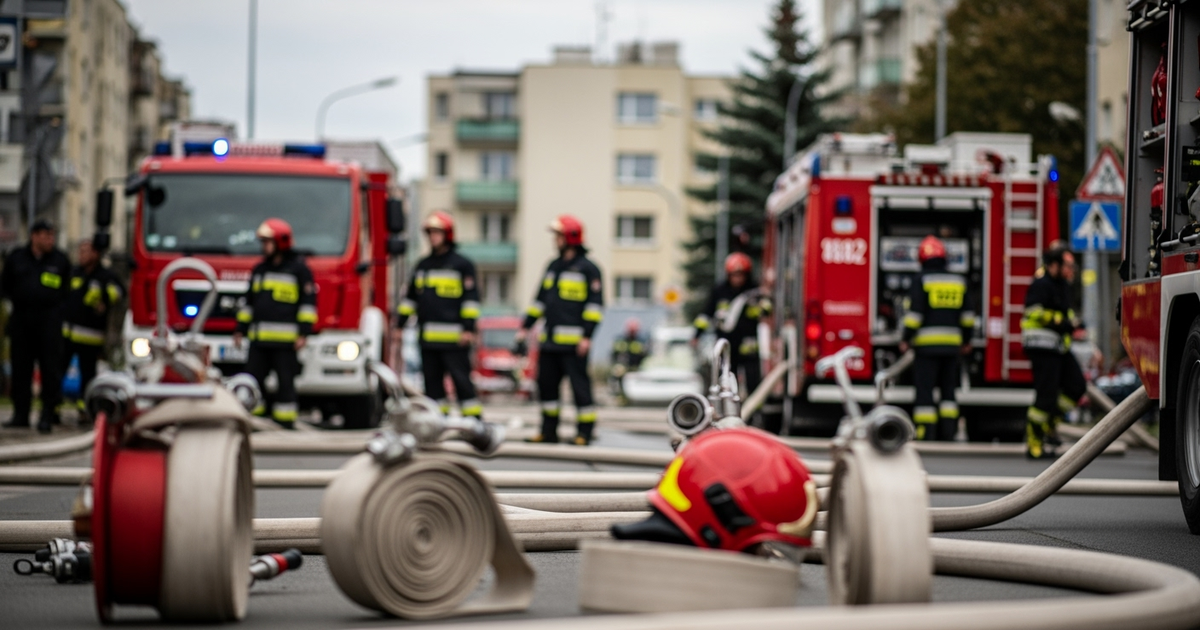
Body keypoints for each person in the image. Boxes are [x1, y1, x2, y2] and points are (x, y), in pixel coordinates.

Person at [516, 215, 604, 445]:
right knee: (546, 387)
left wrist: (587, 336)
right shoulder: (553, 266)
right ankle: (548, 432)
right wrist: (525, 327)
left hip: (575, 344)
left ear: (571, 238)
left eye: (559, 236)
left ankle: (584, 433)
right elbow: (540, 301)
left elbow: (595, 307)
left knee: (580, 388)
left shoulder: (589, 269)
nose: (555, 240)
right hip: (550, 342)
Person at [396, 211, 483, 421]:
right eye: (430, 233)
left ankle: (473, 424)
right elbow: (410, 300)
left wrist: (468, 329)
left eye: (437, 232)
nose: (433, 237)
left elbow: (471, 301)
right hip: (428, 339)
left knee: (462, 383)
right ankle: (438, 423)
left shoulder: (462, 265)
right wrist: (400, 325)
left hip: (455, 340)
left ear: (448, 235)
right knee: (432, 387)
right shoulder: (423, 266)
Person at [233, 218, 316, 429]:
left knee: (285, 383)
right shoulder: (260, 269)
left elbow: (307, 305)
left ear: (280, 242)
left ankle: (285, 422)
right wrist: (240, 329)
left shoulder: (298, 270)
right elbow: (249, 303)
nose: (264, 247)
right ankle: (254, 420)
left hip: (285, 342)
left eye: (267, 242)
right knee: (253, 381)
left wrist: (303, 333)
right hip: (259, 340)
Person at [899, 236, 974, 441]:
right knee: (949, 391)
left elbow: (915, 315)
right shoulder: (958, 281)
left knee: (925, 391)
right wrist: (967, 340)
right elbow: (968, 316)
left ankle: (925, 432)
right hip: (952, 347)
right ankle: (948, 432)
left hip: (926, 348)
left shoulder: (921, 279)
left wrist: (906, 338)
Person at [0, 219, 72, 432]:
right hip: (22, 321)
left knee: (50, 370)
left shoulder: (60, 260)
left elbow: (67, 291)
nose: (50, 240)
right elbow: (5, 286)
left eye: (52, 236)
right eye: (46, 235)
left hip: (49, 323)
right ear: (34, 236)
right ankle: (20, 414)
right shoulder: (17, 258)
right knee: (21, 369)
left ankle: (47, 415)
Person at [692, 252, 773, 432]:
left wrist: (762, 302)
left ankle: (755, 417)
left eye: (741, 275)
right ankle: (724, 417)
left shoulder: (754, 291)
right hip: (727, 348)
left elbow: (767, 310)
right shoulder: (719, 291)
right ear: (728, 275)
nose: (738, 279)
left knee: (754, 384)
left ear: (747, 275)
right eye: (734, 275)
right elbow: (706, 314)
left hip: (748, 347)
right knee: (725, 383)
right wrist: (697, 334)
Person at [1021, 247, 1086, 459]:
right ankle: (1034, 443)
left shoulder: (1063, 286)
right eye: (1067, 265)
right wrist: (1062, 322)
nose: (1071, 270)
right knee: (1046, 396)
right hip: (1041, 346)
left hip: (1058, 347)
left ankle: (1050, 422)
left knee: (1077, 386)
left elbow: (1066, 313)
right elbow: (1033, 311)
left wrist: (1074, 324)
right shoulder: (1041, 284)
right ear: (1054, 265)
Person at [63, 237, 124, 416]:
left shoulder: (105, 276)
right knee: (58, 371)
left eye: (85, 251)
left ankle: (85, 410)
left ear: (96, 254)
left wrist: (103, 299)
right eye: (80, 251)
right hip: (67, 332)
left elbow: (119, 292)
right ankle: (53, 408)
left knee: (88, 374)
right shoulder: (74, 272)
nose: (81, 255)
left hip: (90, 336)